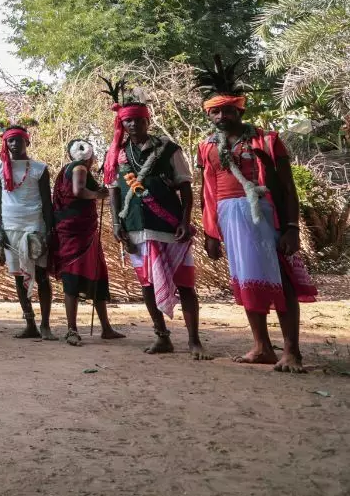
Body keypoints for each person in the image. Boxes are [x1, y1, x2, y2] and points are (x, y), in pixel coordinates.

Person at [195, 57, 316, 372]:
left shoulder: (267, 140)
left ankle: (292, 352)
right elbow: (205, 191)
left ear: (240, 111)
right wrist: (210, 232)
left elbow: (288, 189)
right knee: (247, 280)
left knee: (280, 279)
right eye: (215, 111)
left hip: (265, 218)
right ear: (209, 114)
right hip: (228, 218)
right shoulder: (206, 147)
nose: (222, 116)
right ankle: (262, 346)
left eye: (228, 110)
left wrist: (291, 228)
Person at [104, 87, 209, 358]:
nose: (134, 124)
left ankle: (194, 340)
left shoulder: (168, 149)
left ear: (147, 121)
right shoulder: (117, 153)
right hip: (136, 228)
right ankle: (162, 336)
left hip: (170, 226)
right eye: (128, 121)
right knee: (147, 284)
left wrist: (186, 220)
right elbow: (114, 191)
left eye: (139, 120)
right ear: (122, 124)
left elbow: (185, 187)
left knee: (185, 284)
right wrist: (117, 225)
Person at [52, 139, 123, 345]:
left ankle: (105, 328)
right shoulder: (80, 167)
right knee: (76, 276)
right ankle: (72, 329)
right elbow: (78, 191)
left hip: (78, 231)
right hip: (77, 233)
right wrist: (97, 195)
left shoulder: (68, 167)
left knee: (94, 275)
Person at [0, 121, 57, 341]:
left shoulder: (39, 168)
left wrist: (49, 231)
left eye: (19, 140)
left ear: (26, 141)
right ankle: (30, 323)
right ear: (6, 143)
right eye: (10, 140)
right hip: (10, 228)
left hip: (34, 227)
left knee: (41, 276)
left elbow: (47, 203)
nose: (15, 144)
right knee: (19, 277)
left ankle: (46, 325)